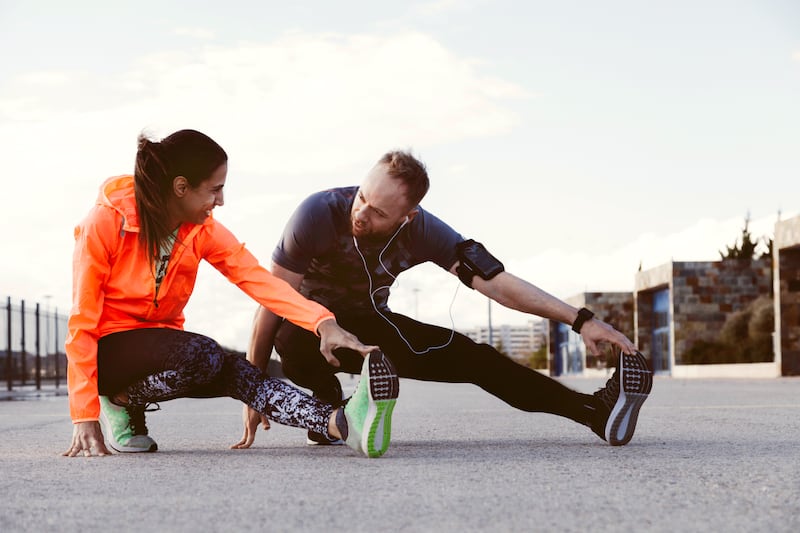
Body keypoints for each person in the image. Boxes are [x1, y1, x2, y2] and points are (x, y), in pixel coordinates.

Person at [236, 150, 652, 450]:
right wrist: (253, 391)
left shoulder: (425, 231)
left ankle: (594, 413)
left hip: (372, 331)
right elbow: (273, 299)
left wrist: (580, 320)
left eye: (379, 212)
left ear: (407, 215)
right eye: (362, 198)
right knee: (290, 336)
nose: (361, 214)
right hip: (309, 332)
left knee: (478, 360)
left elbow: (498, 284)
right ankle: (330, 408)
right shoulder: (318, 213)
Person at [63, 129, 400, 459]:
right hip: (108, 351)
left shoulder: (200, 229)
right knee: (203, 354)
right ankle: (119, 400)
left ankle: (341, 422)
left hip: (162, 348)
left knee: (237, 371)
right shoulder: (106, 222)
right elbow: (82, 322)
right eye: (215, 189)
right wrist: (84, 415)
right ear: (181, 187)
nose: (220, 200)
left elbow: (257, 280)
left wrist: (322, 322)